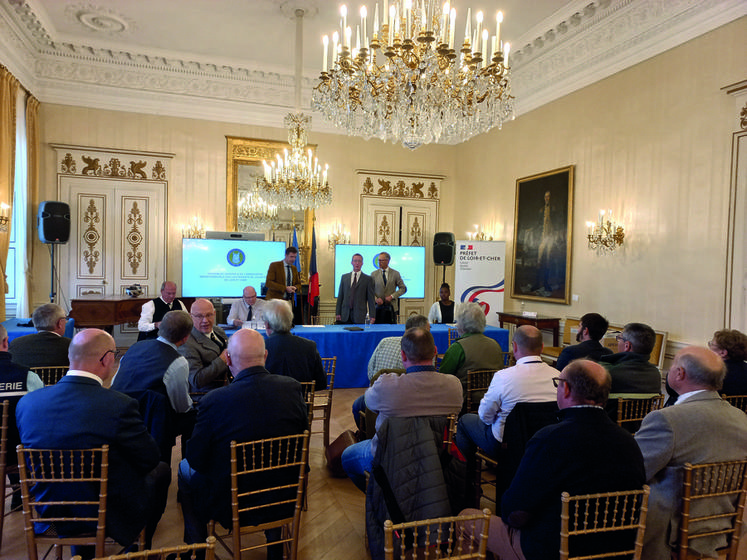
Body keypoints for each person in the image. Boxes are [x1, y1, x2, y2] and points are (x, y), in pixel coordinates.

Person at [460, 360, 646, 560]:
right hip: (616, 550)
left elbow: (514, 512)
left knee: (466, 518)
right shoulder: (629, 442)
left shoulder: (549, 438)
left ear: (565, 389)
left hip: (552, 550)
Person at [16, 329, 170, 553]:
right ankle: (136, 548)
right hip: (104, 511)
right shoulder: (119, 404)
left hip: (48, 510)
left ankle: (81, 550)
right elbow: (149, 459)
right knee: (162, 470)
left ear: (70, 357)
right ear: (108, 359)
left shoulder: (28, 403)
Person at [177, 328, 307, 559]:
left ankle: (195, 549)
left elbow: (196, 458)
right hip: (285, 493)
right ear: (265, 356)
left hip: (232, 499)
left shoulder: (214, 400)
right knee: (273, 461)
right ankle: (275, 547)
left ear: (227, 359)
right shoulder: (293, 388)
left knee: (183, 469)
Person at [635, 346, 747, 560]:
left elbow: (634, 471)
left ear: (680, 374)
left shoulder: (667, 419)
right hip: (724, 525)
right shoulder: (740, 417)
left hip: (669, 532)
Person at [341, 327, 463, 491]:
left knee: (347, 457)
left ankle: (384, 499)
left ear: (403, 355)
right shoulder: (454, 385)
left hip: (391, 457)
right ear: (435, 352)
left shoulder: (387, 385)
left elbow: (368, 403)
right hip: (436, 457)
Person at [455, 325, 556, 462]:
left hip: (507, 445)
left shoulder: (504, 377)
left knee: (464, 421)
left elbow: (485, 416)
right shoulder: (559, 377)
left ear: (514, 347)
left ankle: (466, 479)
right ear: (542, 347)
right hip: (547, 444)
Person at [112, 310, 195, 453]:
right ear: (185, 338)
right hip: (152, 426)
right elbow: (181, 406)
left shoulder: (134, 348)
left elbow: (115, 380)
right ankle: (185, 468)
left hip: (118, 414)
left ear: (160, 328)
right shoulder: (178, 362)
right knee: (192, 417)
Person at [351, 314, 431, 429]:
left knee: (356, 406)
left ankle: (366, 435)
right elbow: (423, 381)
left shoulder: (385, 341)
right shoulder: (422, 352)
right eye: (428, 331)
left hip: (375, 400)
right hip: (405, 406)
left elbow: (370, 372)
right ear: (420, 332)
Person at [0, 324, 44, 509]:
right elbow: (40, 417)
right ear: (5, 342)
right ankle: (21, 492)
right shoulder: (27, 377)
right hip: (16, 452)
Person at [439, 301, 505, 391]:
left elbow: (443, 378)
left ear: (462, 325)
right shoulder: (495, 345)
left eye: (457, 321)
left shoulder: (457, 348)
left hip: (464, 401)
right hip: (493, 400)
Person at [264, 299, 326, 390]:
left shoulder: (260, 348)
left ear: (267, 325)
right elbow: (321, 383)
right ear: (290, 321)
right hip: (300, 402)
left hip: (268, 403)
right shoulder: (309, 346)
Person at [179, 298, 230, 393]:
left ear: (214, 314)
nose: (205, 320)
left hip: (229, 385)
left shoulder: (218, 331)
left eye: (209, 315)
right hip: (207, 394)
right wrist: (222, 360)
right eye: (199, 316)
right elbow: (196, 380)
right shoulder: (187, 343)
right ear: (191, 317)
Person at [599, 322, 661, 394]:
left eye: (619, 338)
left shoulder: (608, 372)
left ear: (627, 346)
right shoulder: (655, 374)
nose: (618, 342)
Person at [9, 303, 71, 367]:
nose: (66, 322)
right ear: (60, 323)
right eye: (65, 319)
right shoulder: (72, 346)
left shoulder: (16, 344)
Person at [335, 253, 375, 324]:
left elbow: (371, 299)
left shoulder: (368, 279)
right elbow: (340, 297)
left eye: (359, 261)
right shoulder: (344, 277)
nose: (357, 263)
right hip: (345, 315)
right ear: (352, 262)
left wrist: (372, 316)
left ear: (362, 263)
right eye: (355, 261)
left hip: (360, 315)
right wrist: (338, 312)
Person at [371, 252, 407, 324]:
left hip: (391, 308)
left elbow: (403, 288)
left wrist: (392, 296)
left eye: (382, 260)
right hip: (377, 308)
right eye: (379, 260)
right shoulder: (374, 274)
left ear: (387, 261)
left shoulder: (395, 273)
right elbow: (369, 290)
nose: (379, 262)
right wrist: (376, 299)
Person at [709, 328, 747, 395]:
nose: (709, 348)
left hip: (720, 405)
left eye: (712, 344)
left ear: (723, 353)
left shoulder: (714, 372)